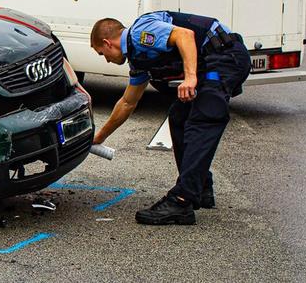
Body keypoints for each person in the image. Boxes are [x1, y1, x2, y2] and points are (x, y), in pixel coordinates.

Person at [90, 12, 251, 225]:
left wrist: (191, 78)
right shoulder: (139, 60)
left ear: (107, 43)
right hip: (212, 63)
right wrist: (98, 137)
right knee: (179, 117)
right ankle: (200, 187)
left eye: (102, 54)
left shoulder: (140, 33)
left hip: (225, 57)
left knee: (203, 119)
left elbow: (184, 35)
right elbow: (127, 103)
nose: (107, 60)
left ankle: (182, 200)